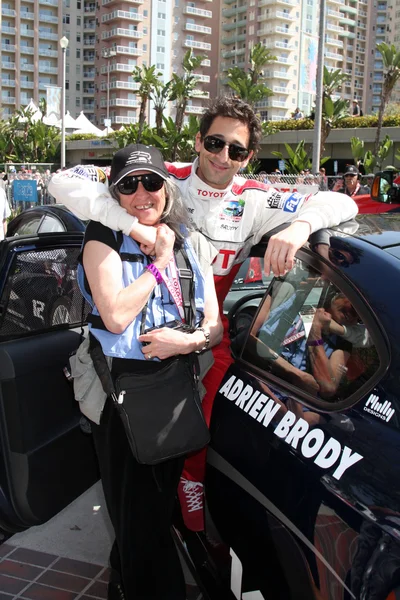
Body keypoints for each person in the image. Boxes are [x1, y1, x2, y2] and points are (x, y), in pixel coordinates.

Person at [48, 96, 358, 531]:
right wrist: (130, 225)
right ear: (198, 141)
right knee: (137, 462)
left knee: (201, 422)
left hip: (206, 331)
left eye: (236, 150)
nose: (222, 157)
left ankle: (189, 480)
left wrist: (301, 226)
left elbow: (342, 203)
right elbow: (64, 181)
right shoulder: (158, 179)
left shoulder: (258, 198)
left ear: (249, 157)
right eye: (215, 142)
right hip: (137, 331)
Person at [77, 144, 223, 599]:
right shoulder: (102, 239)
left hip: (175, 390)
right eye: (128, 184)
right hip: (121, 396)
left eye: (152, 182)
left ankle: (123, 583)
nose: (142, 193)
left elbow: (214, 327)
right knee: (140, 521)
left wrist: (189, 341)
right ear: (115, 193)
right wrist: (158, 264)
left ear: (167, 187)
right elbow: (117, 316)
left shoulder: (191, 241)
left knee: (153, 512)